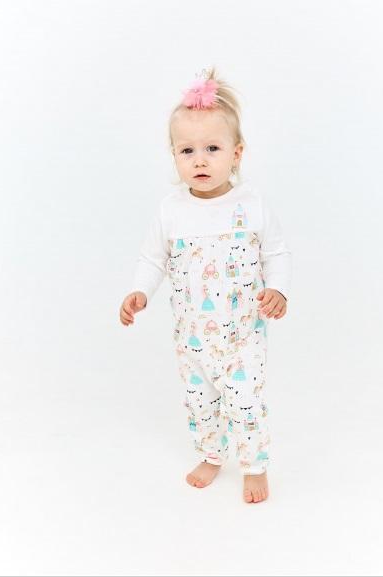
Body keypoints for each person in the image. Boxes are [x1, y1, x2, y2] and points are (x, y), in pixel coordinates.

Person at [119, 67, 292, 504]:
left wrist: (278, 289)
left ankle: (254, 464)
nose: (199, 160)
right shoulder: (171, 210)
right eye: (187, 150)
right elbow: (152, 258)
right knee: (200, 403)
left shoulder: (251, 205)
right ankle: (212, 455)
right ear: (174, 155)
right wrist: (140, 291)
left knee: (245, 401)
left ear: (237, 153)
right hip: (192, 337)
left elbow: (276, 253)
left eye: (212, 148)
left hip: (242, 335)